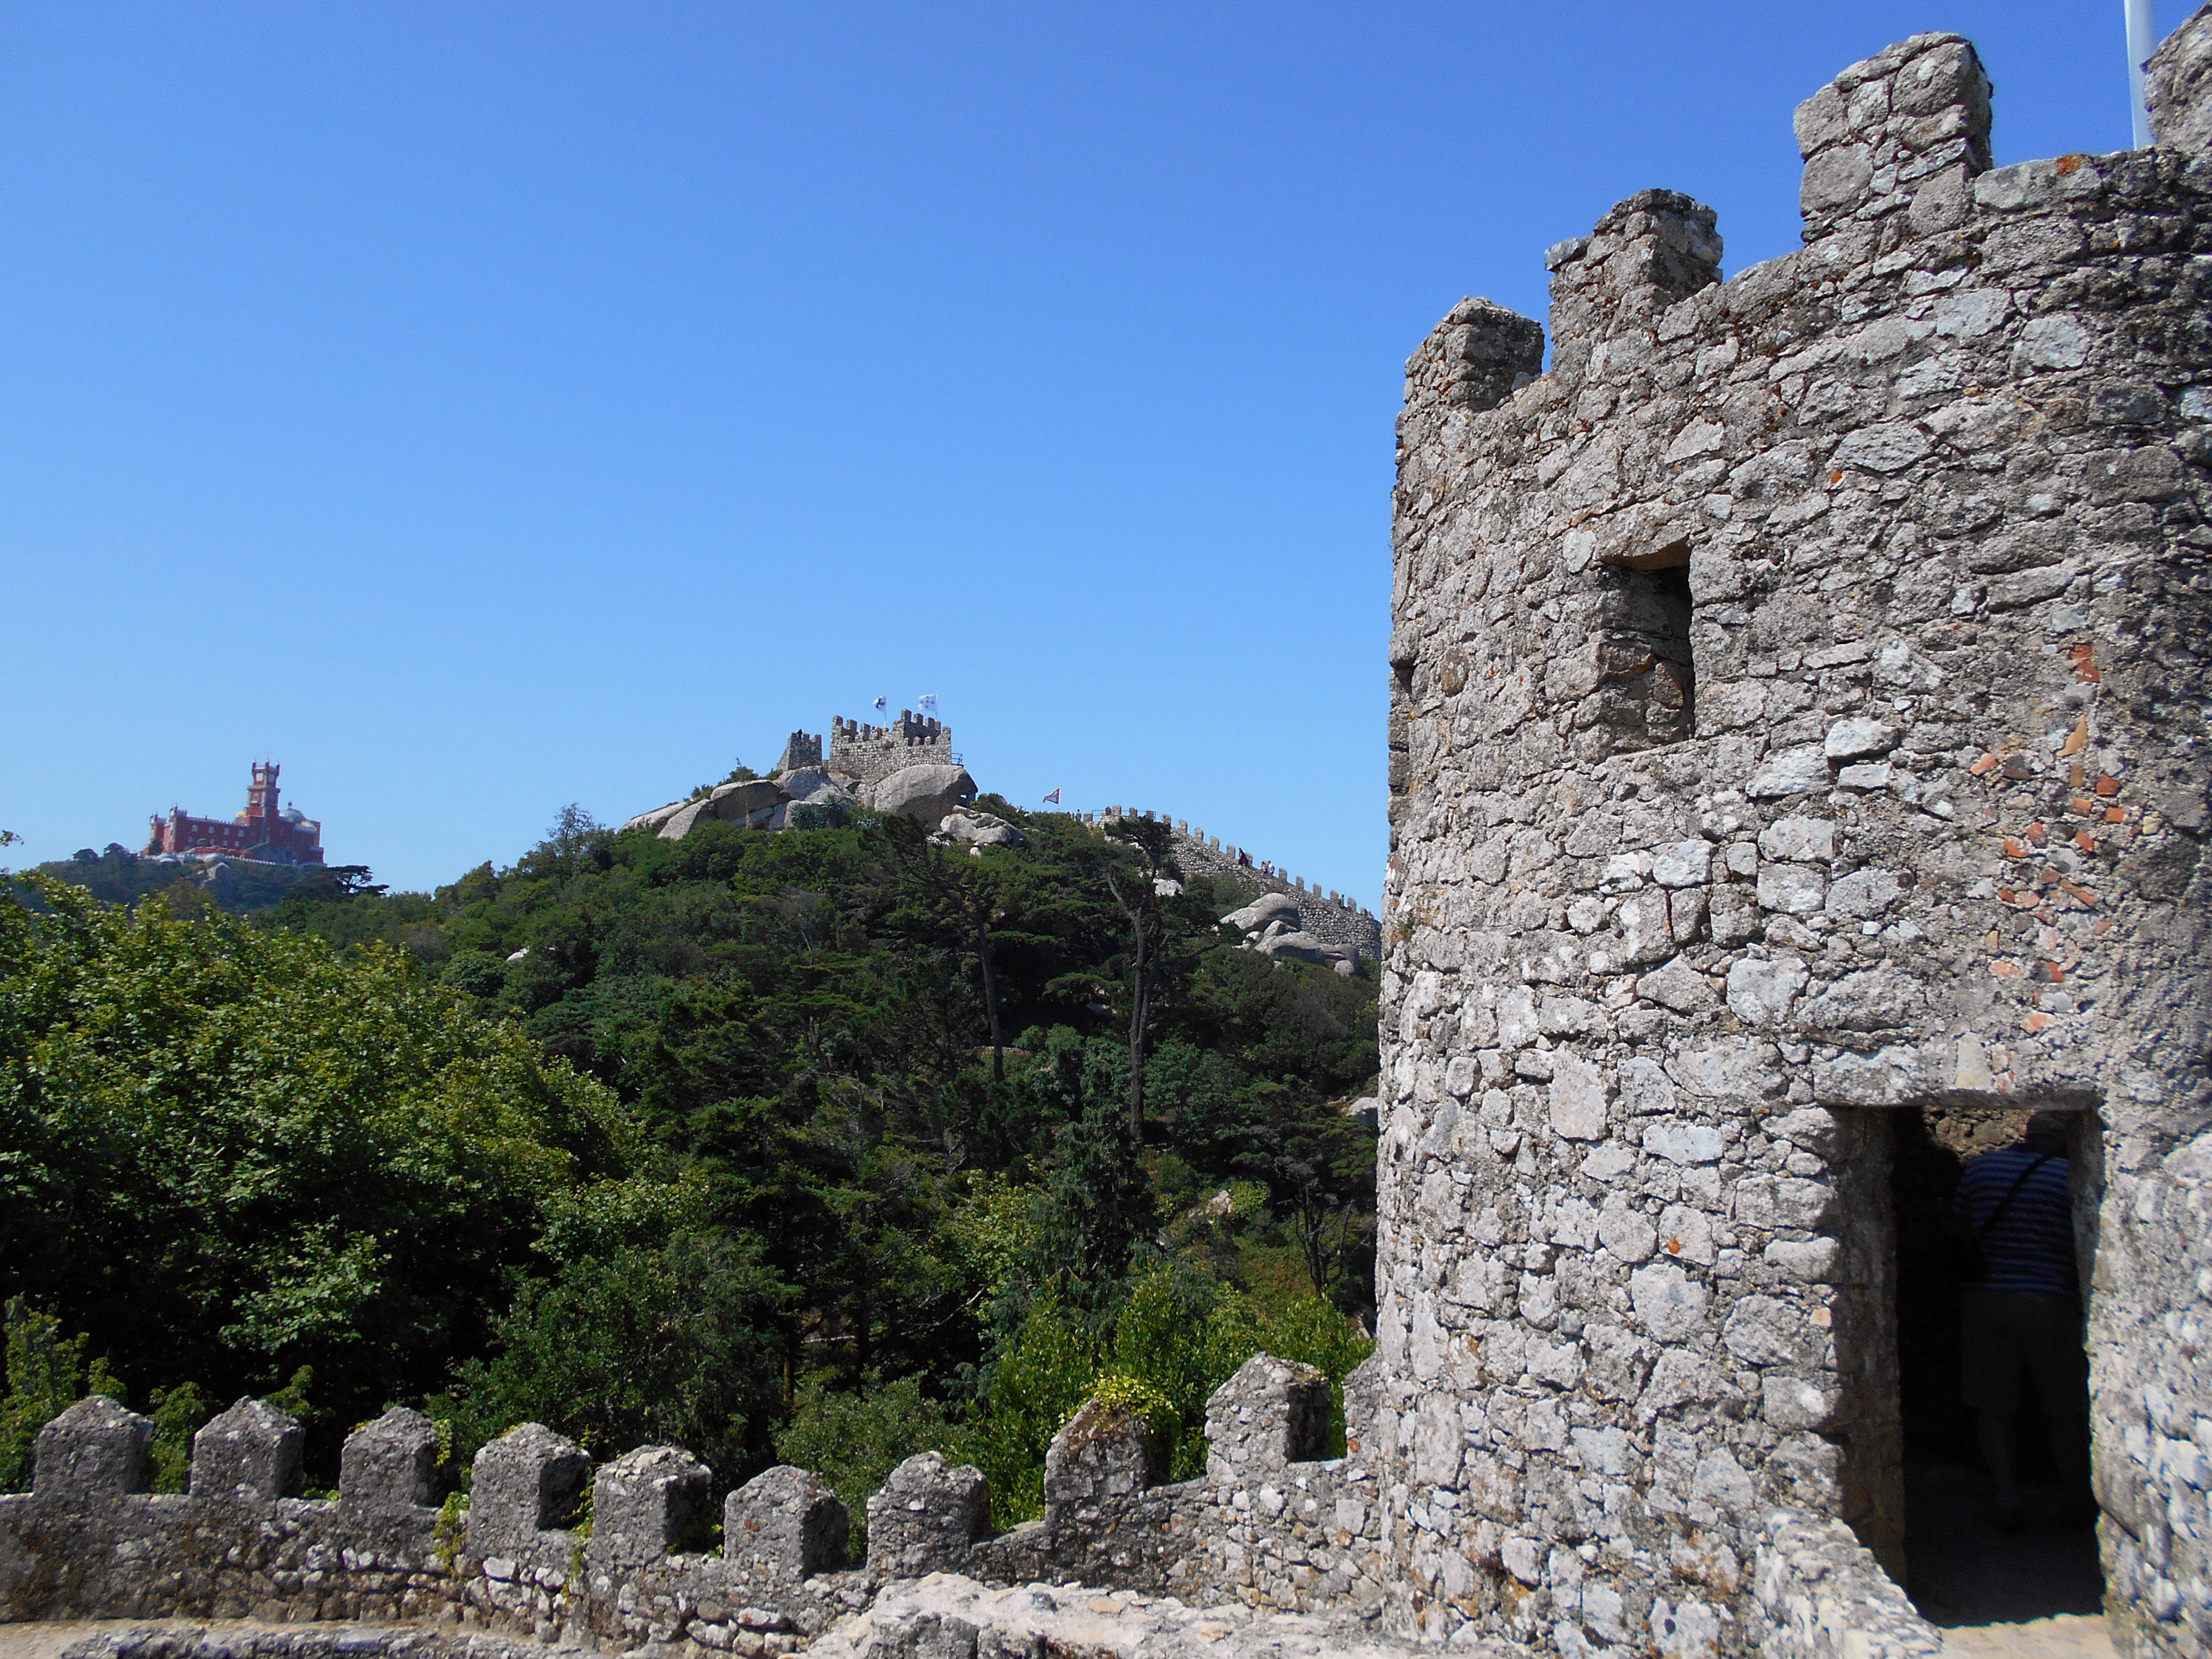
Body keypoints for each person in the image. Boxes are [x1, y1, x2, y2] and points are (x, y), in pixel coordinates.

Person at [1951, 1110, 2091, 1529]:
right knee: (2064, 1406)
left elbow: (1959, 1231)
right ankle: (2075, 1498)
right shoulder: (2069, 1177)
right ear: (2062, 1141)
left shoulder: (1981, 1169)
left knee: (1993, 1406)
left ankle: (2006, 1495)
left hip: (1987, 1300)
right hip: (2050, 1301)